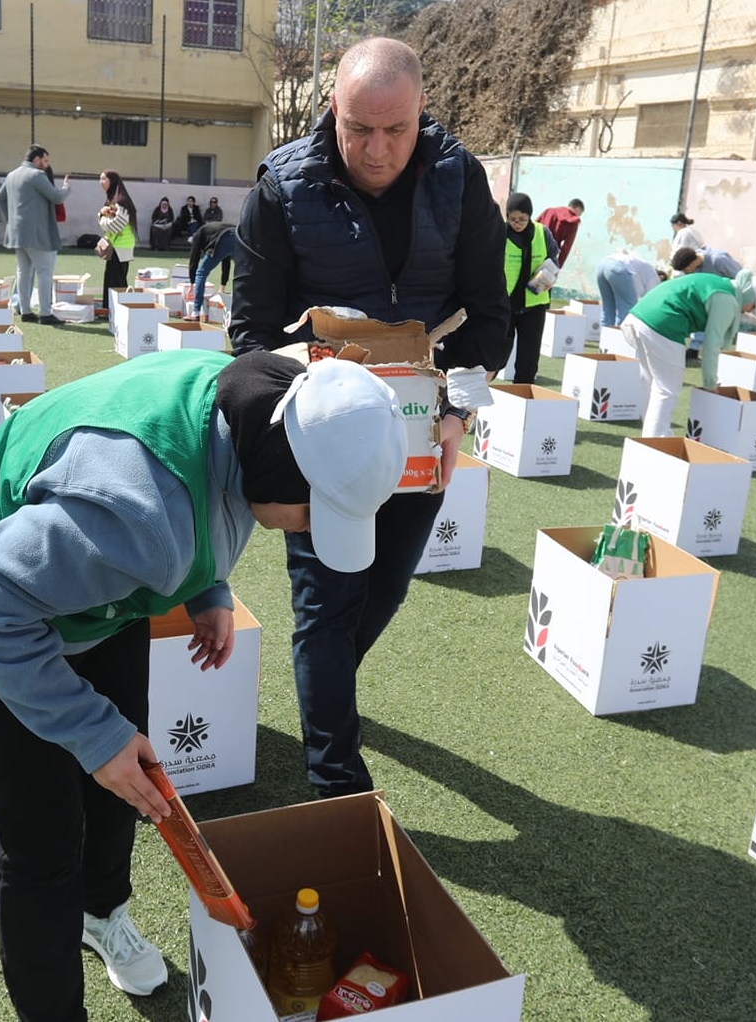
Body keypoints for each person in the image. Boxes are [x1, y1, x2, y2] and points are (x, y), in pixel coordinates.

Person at [0, 348, 407, 1022]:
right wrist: (90, 732)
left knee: (130, 786)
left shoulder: (248, 402)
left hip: (88, 593)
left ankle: (101, 914)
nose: (313, 531)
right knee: (43, 845)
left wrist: (208, 588)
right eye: (315, 512)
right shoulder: (140, 518)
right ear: (278, 465)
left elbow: (209, 487)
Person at [230, 36, 511, 798]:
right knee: (326, 605)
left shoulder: (459, 178)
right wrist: (303, 408)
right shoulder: (282, 187)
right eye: (358, 128)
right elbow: (250, 334)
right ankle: (335, 784)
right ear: (333, 109)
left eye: (395, 129)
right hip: (325, 437)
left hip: (423, 441)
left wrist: (456, 409)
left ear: (423, 110)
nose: (376, 149)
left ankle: (328, 695)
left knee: (382, 590)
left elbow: (490, 314)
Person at [622, 267, 756, 437]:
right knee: (667, 389)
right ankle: (655, 442)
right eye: (753, 306)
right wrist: (711, 384)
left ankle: (651, 435)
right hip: (663, 324)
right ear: (750, 294)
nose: (749, 311)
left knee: (649, 380)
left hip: (638, 316)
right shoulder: (728, 300)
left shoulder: (718, 283)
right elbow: (711, 345)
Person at [2, 144, 70, 326]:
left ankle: (26, 311)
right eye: (45, 160)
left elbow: (0, 198)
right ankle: (46, 313)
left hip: (17, 233)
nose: (46, 165)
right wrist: (66, 187)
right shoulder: (37, 175)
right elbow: (56, 197)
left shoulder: (12, 175)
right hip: (36, 233)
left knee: (23, 272)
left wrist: (11, 219)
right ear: (37, 159)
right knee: (44, 272)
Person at [502, 191, 555, 385]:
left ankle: (522, 394)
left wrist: (549, 275)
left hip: (534, 304)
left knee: (529, 358)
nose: (517, 223)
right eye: (513, 219)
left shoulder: (543, 233)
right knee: (497, 355)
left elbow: (553, 259)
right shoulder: (499, 233)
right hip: (504, 304)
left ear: (530, 216)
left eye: (522, 219)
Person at [96, 169, 137, 302]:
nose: (101, 182)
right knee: (112, 278)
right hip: (117, 246)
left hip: (121, 247)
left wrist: (101, 216)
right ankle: (111, 308)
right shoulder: (113, 199)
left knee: (117, 279)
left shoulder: (120, 201)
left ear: (112, 181)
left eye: (104, 179)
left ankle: (121, 307)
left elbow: (114, 225)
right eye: (100, 179)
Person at [593, 249, 659, 328]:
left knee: (608, 307)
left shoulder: (643, 270)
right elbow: (650, 301)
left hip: (603, 264)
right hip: (619, 267)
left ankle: (604, 338)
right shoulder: (654, 277)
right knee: (626, 308)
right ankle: (620, 338)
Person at [187, 220, 236, 315]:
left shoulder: (198, 235)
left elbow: (194, 259)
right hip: (238, 235)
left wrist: (192, 283)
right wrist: (223, 285)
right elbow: (226, 260)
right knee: (242, 273)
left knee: (201, 273)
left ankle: (196, 311)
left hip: (222, 238)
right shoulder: (212, 228)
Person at [537, 198, 584, 267]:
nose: (578, 216)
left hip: (535, 249)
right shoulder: (573, 221)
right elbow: (566, 246)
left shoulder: (549, 211)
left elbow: (533, 226)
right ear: (578, 209)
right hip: (549, 255)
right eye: (580, 214)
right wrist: (558, 265)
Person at [671, 244, 742, 280]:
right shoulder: (694, 270)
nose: (686, 273)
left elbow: (741, 278)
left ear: (691, 264)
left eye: (686, 270)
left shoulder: (718, 259)